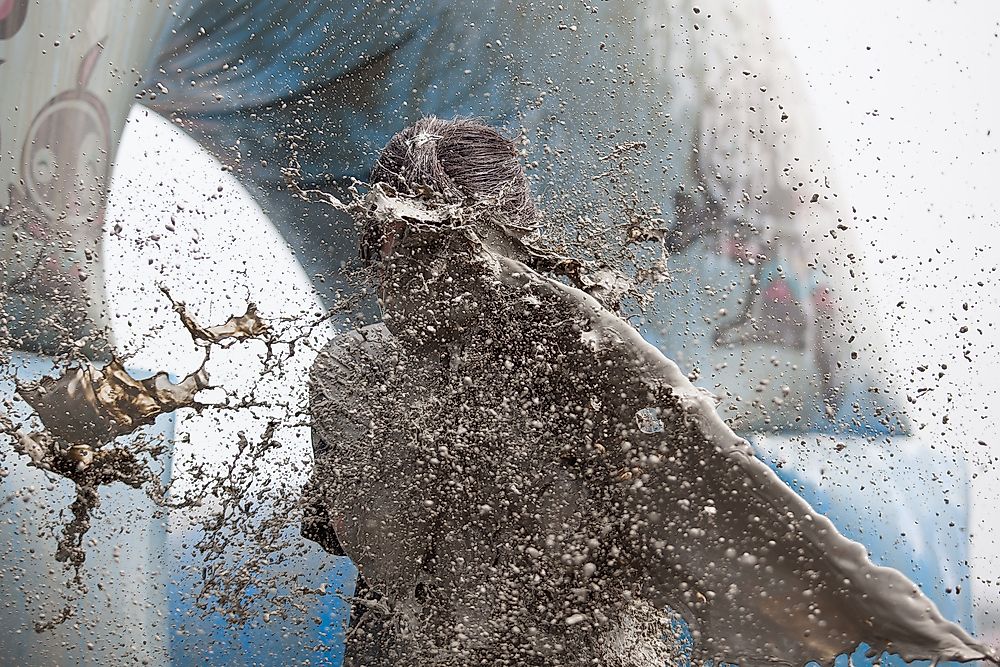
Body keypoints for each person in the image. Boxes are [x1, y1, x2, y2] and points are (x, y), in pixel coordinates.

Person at [0, 0, 978, 664]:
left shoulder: (557, 343)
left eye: (422, 247)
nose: (401, 269)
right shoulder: (364, 368)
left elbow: (738, 502)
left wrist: (908, 630)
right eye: (390, 246)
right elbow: (341, 521)